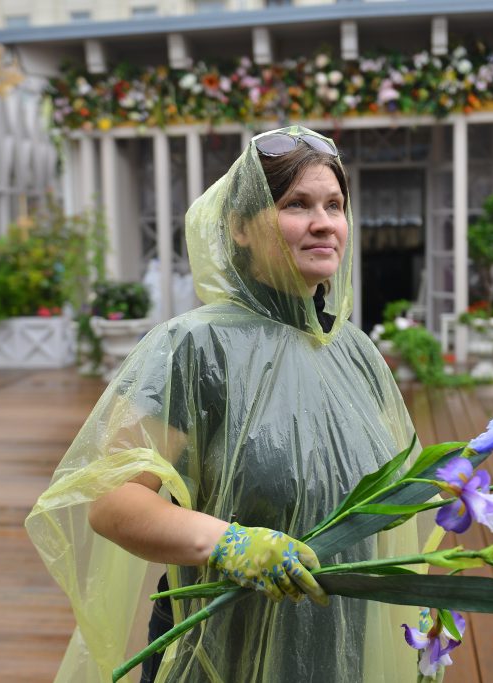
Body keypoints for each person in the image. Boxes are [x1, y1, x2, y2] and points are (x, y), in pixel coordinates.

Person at [27, 125, 431, 682]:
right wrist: (230, 543)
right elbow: (111, 501)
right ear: (240, 226)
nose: (323, 223)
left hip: (341, 652)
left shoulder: (355, 352)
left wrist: (422, 599)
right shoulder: (192, 347)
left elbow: (397, 497)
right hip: (223, 654)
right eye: (296, 205)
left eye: (335, 206)